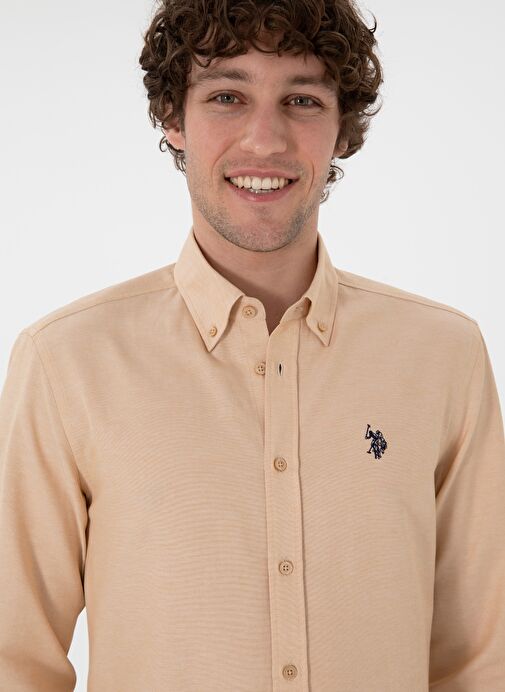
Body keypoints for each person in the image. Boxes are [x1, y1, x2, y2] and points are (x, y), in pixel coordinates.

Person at [1, 0, 504, 690]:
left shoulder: (443, 357)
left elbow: (478, 661)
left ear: (341, 129)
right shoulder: (66, 363)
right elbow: (15, 659)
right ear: (173, 118)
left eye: (301, 100)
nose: (265, 141)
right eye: (227, 97)